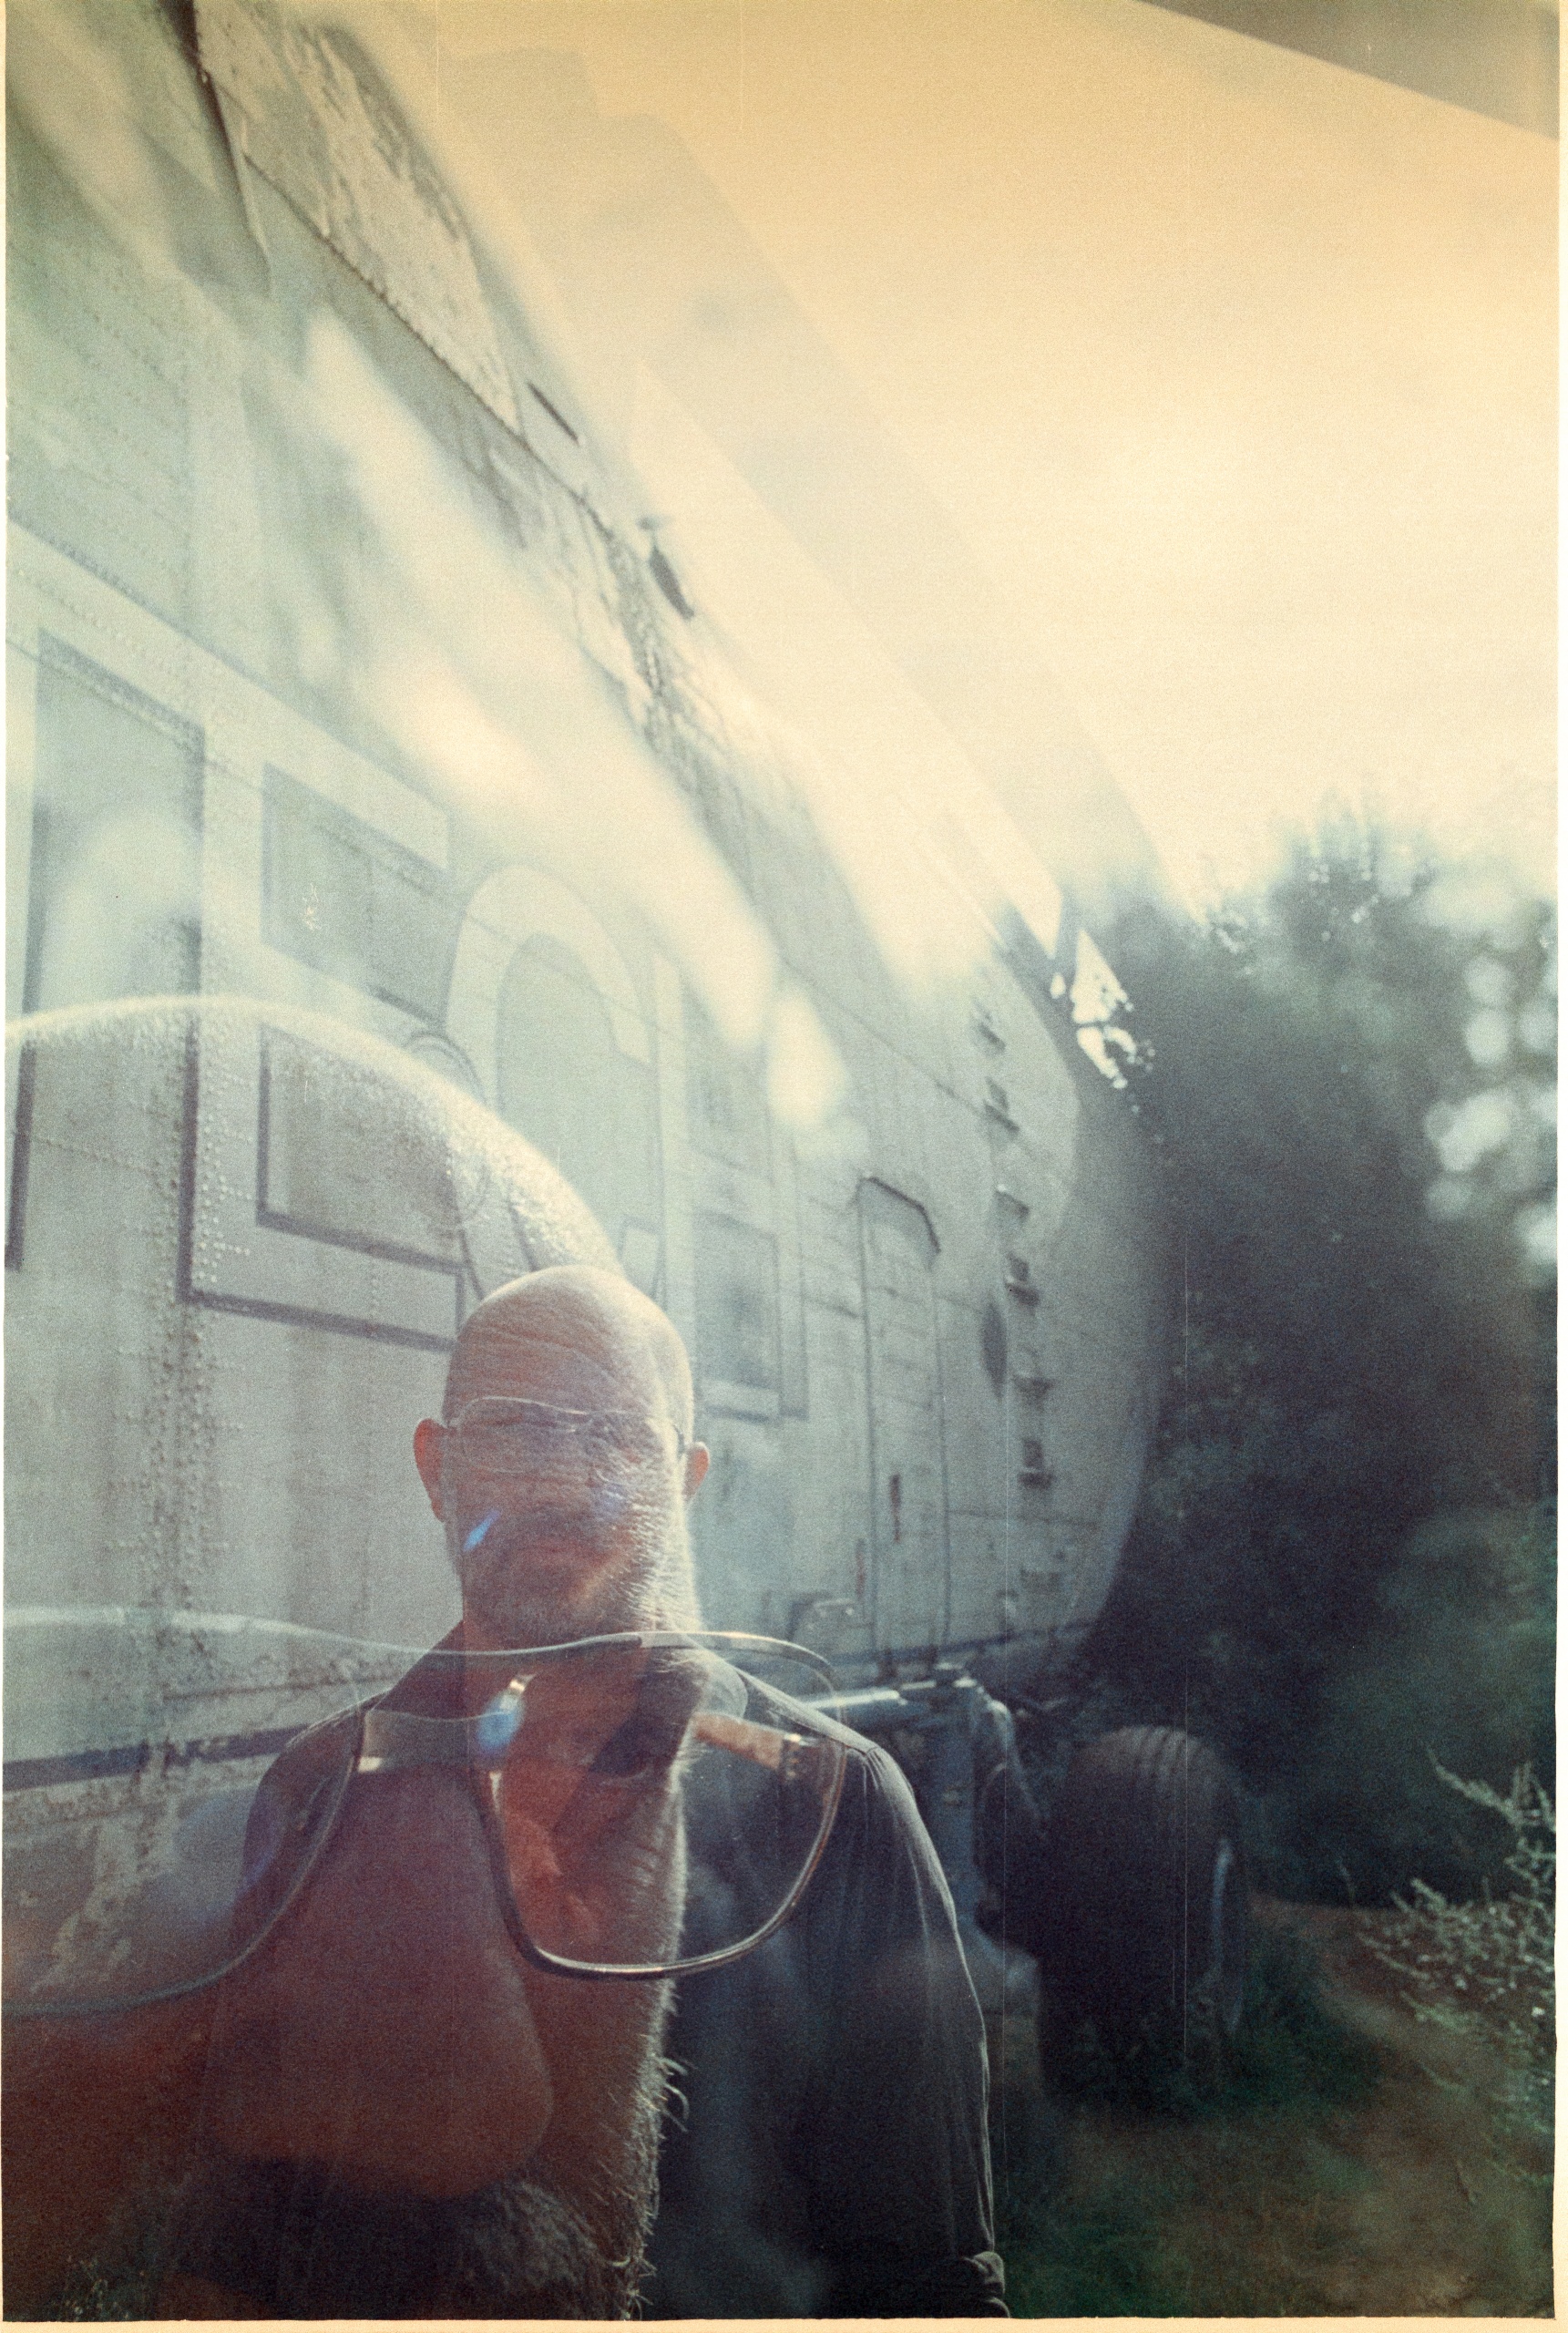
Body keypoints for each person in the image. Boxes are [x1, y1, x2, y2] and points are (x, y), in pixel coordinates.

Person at [116, 1267, 1004, 2316]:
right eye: (511, 1427)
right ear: (435, 1468)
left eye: (617, 1438)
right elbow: (244, 2218)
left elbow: (925, 2279)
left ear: (685, 1479)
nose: (564, 1481)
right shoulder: (320, 1788)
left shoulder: (829, 1803)